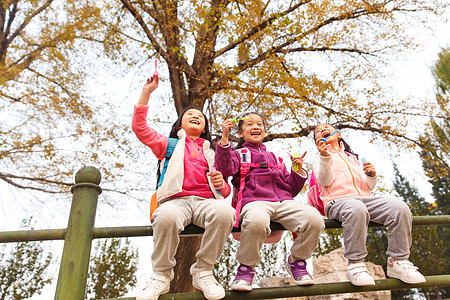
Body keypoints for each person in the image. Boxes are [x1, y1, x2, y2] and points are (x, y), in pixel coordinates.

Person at [132, 73, 236, 300]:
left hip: (205, 203)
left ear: (205, 126)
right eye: (190, 114)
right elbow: (140, 128)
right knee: (166, 216)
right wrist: (146, 93)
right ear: (180, 123)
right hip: (176, 201)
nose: (196, 116)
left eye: (200, 116)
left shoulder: (212, 152)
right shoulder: (168, 145)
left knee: (226, 212)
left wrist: (222, 185)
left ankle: (204, 270)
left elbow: (225, 190)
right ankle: (161, 276)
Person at [215, 113, 324, 291]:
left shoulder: (276, 158)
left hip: (283, 201)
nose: (255, 126)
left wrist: (297, 170)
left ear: (264, 131)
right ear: (241, 133)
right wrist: (225, 139)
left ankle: (297, 260)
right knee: (257, 220)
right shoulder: (238, 154)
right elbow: (223, 168)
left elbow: (290, 189)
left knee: (314, 218)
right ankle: (246, 268)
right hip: (254, 201)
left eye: (259, 124)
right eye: (249, 124)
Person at [312, 123, 426, 286]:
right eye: (317, 131)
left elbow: (366, 188)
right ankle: (355, 264)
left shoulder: (353, 158)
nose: (322, 130)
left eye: (326, 127)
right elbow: (325, 180)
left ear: (339, 135)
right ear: (317, 141)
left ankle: (398, 261)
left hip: (363, 200)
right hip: (337, 202)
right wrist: (324, 157)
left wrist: (371, 177)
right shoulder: (319, 157)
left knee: (399, 208)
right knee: (356, 209)